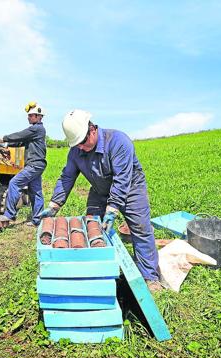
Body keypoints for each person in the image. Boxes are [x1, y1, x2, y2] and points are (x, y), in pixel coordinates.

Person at [41, 109, 162, 292]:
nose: (80, 147)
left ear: (92, 129)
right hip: (100, 189)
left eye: (82, 142)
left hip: (130, 187)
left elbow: (122, 179)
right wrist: (54, 204)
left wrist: (113, 209)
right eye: (76, 144)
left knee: (140, 229)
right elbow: (67, 177)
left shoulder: (119, 141)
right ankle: (100, 271)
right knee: (93, 226)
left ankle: (149, 276)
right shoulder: (76, 151)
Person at [0, 102, 47, 226]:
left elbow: (20, 135)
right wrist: (4, 145)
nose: (29, 117)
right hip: (37, 165)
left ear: (39, 117)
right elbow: (20, 141)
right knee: (36, 191)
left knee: (14, 183)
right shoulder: (35, 132)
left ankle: (9, 215)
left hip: (34, 165)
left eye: (32, 115)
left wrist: (3, 138)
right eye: (29, 115)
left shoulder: (36, 128)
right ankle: (38, 220)